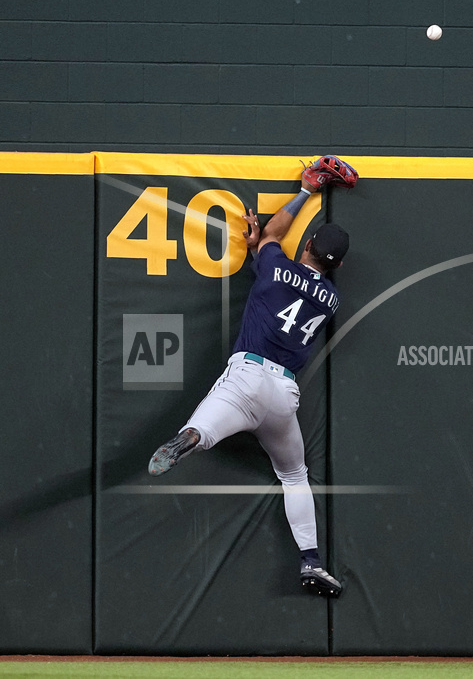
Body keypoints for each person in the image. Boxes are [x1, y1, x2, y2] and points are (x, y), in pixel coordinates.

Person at [148, 161, 352, 598]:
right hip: (283, 395)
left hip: (247, 376)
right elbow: (306, 269)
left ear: (310, 243)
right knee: (295, 475)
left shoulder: (276, 264)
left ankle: (190, 437)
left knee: (203, 427)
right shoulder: (331, 299)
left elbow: (274, 233)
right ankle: (312, 560)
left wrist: (303, 193)